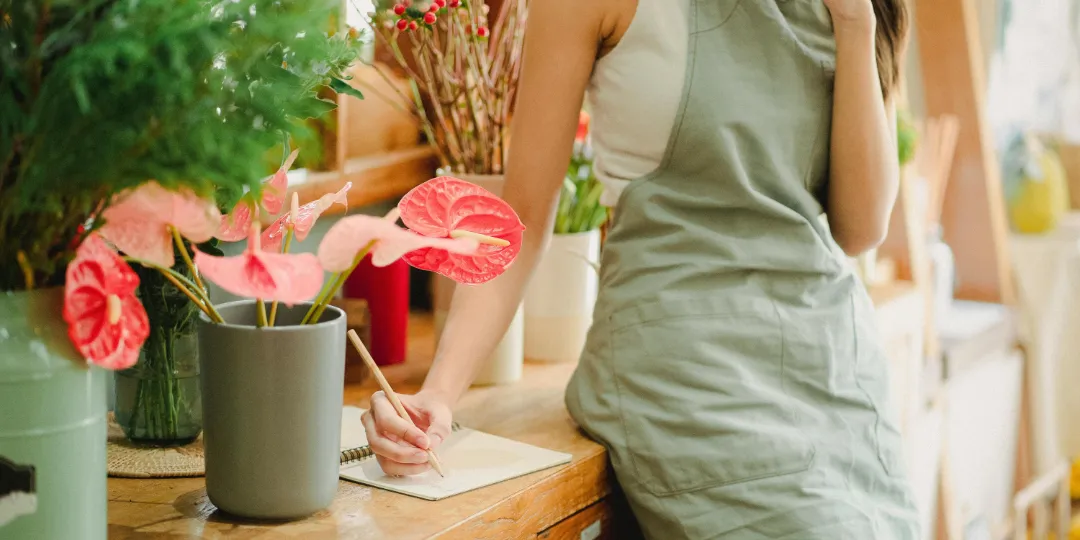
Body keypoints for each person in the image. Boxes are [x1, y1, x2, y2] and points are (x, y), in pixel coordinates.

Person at [362, 0, 919, 537]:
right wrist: (438, 393)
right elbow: (521, 216)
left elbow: (862, 225)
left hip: (835, 375)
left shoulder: (857, 11)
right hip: (687, 381)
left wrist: (855, 19)